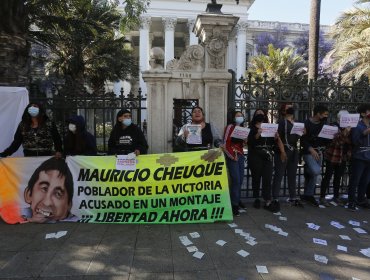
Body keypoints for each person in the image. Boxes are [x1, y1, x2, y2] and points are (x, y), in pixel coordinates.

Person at [247, 109, 286, 212]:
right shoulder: (251, 128)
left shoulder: (270, 128)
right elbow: (249, 142)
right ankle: (256, 198)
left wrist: (276, 137)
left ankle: (267, 199)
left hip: (267, 156)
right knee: (256, 178)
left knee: (267, 178)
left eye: (262, 113)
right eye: (258, 113)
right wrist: (257, 134)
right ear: (255, 115)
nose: (260, 115)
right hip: (255, 156)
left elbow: (274, 142)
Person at [22, 157, 78, 223]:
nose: (47, 203)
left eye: (58, 194)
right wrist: (29, 220)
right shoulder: (17, 214)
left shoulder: (78, 221)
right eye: (44, 188)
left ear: (69, 205)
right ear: (28, 194)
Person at [272, 104, 304, 208]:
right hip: (284, 150)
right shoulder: (281, 122)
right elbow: (278, 138)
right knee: (279, 174)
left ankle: (293, 197)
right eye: (287, 108)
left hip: (294, 150)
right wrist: (282, 151)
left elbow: (299, 136)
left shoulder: (296, 123)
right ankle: (275, 198)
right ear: (283, 111)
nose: (290, 109)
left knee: (292, 175)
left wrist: (303, 131)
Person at [319, 110, 352, 206]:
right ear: (339, 119)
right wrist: (344, 133)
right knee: (328, 176)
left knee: (338, 177)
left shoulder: (348, 128)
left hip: (343, 156)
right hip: (333, 155)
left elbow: (350, 142)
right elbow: (336, 142)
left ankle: (336, 196)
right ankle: (322, 197)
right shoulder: (333, 127)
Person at [300, 105, 330, 206]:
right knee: (316, 171)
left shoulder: (324, 123)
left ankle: (308, 195)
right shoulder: (306, 123)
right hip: (309, 152)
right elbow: (303, 140)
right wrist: (310, 149)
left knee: (313, 174)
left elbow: (326, 140)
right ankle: (307, 171)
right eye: (325, 114)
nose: (326, 116)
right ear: (318, 114)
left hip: (319, 152)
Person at [222, 111, 247, 216]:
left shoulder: (243, 128)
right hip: (232, 156)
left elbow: (244, 144)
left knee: (240, 179)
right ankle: (234, 205)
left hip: (240, 155)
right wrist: (232, 156)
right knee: (236, 179)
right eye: (237, 115)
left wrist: (245, 140)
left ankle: (237, 199)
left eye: (241, 116)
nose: (239, 117)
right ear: (233, 117)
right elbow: (225, 143)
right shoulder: (230, 127)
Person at [347, 104, 370, 210]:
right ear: (363, 114)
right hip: (359, 157)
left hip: (368, 157)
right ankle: (351, 201)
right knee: (355, 180)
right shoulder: (358, 126)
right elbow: (355, 142)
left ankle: (361, 199)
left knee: (365, 180)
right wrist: (364, 134)